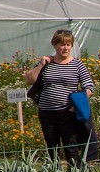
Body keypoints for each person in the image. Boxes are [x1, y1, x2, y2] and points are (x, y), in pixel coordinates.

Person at [23, 29, 95, 164]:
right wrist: (42, 65)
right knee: (52, 149)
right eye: (62, 44)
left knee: (71, 149)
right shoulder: (46, 63)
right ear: (55, 45)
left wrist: (75, 107)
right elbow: (29, 80)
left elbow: (89, 87)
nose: (65, 48)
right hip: (47, 112)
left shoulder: (77, 64)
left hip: (67, 113)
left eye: (68, 45)